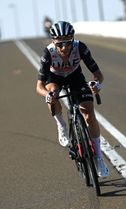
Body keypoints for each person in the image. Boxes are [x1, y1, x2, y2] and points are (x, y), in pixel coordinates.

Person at [36, 21, 109, 177]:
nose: (64, 48)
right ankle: (61, 124)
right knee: (54, 92)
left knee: (88, 112)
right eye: (60, 44)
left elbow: (98, 74)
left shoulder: (79, 47)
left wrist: (96, 84)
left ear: (72, 39)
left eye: (67, 43)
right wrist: (47, 95)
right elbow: (39, 86)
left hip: (75, 77)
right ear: (53, 42)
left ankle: (99, 158)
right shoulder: (48, 53)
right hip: (55, 78)